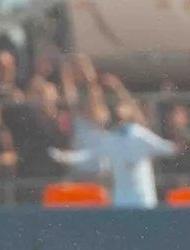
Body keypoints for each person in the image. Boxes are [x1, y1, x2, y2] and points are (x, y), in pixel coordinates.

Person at [62, 65, 176, 208]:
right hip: (86, 175)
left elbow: (137, 120)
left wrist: (118, 88)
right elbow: (74, 99)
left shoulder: (112, 121)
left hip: (107, 179)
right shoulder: (83, 116)